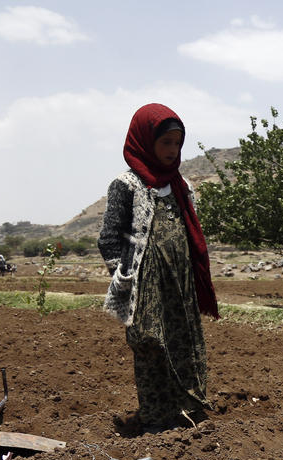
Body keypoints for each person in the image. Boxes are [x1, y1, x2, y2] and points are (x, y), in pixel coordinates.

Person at [100, 103, 219, 435]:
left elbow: (190, 232)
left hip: (180, 282)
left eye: (177, 143)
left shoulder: (182, 186)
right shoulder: (126, 185)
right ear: (145, 140)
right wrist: (124, 277)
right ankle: (155, 418)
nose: (172, 150)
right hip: (144, 285)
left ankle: (190, 409)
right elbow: (109, 239)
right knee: (150, 344)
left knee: (185, 340)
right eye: (165, 142)